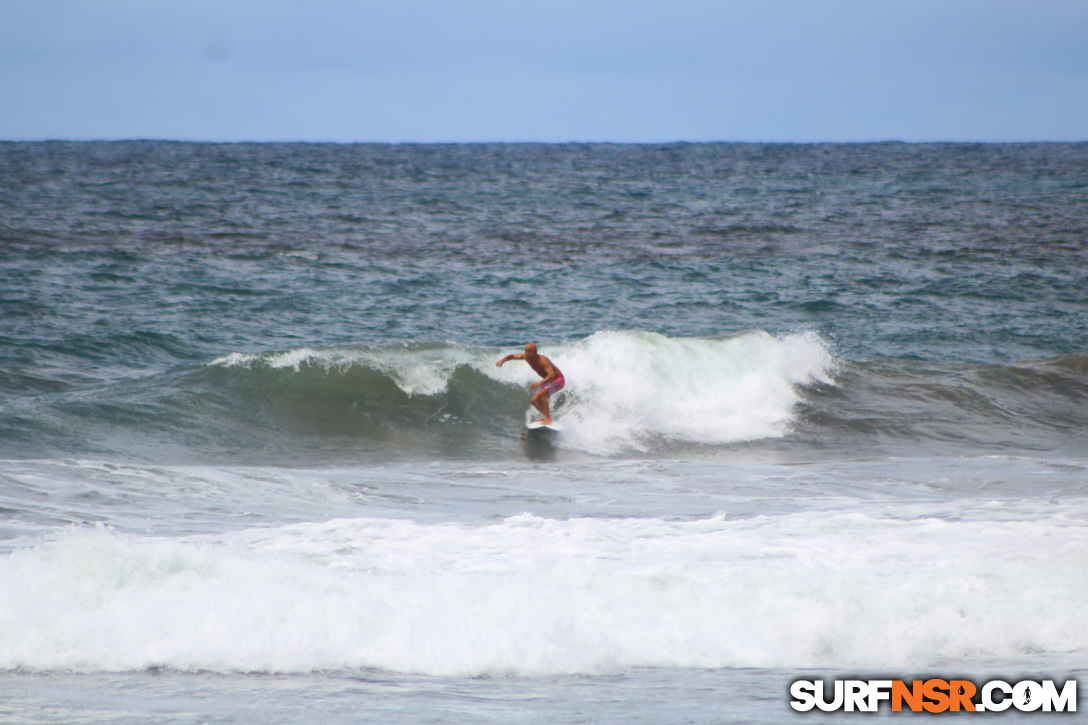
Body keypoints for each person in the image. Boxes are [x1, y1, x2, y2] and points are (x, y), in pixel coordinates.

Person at [496, 342, 565, 425]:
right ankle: (548, 417)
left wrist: (538, 384)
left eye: (529, 351)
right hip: (549, 380)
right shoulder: (526, 357)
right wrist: (502, 361)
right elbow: (512, 356)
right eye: (526, 351)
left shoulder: (543, 360)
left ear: (535, 351)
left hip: (559, 379)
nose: (527, 353)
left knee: (542, 394)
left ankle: (548, 419)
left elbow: (552, 375)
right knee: (534, 401)